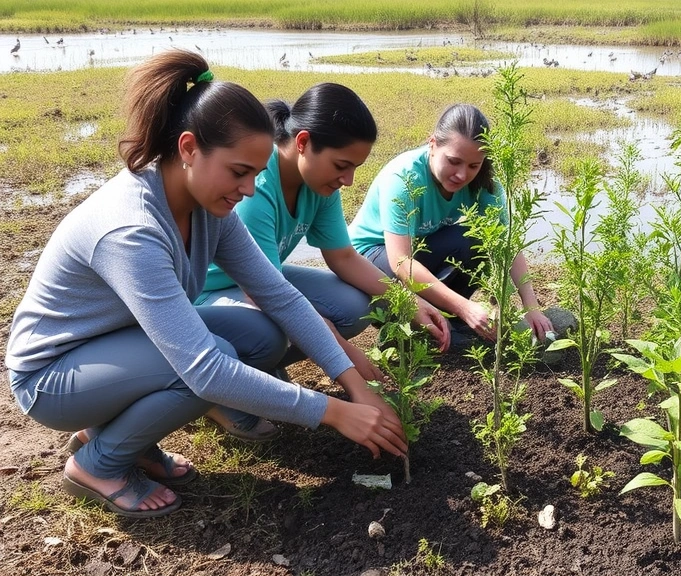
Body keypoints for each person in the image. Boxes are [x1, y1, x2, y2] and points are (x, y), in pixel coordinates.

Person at [4, 50, 406, 519]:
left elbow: (280, 296)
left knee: (262, 335)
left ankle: (119, 437)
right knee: (214, 363)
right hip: (52, 377)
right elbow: (206, 371)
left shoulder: (209, 208)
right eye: (239, 172)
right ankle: (98, 464)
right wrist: (334, 412)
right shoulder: (132, 229)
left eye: (256, 174)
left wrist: (353, 383)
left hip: (117, 346)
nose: (250, 190)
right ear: (189, 148)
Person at [196, 82, 449, 438]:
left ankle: (261, 371)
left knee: (353, 305)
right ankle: (222, 395)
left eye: (354, 168)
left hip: (267, 281)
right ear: (302, 143)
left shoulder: (319, 183)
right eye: (341, 165)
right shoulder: (256, 187)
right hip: (213, 293)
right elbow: (266, 295)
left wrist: (405, 299)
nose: (348, 180)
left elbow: (344, 257)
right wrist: (346, 359)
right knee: (268, 332)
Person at [348, 104, 554, 344]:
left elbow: (506, 245)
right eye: (454, 161)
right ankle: (405, 324)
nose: (461, 175)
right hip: (370, 259)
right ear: (433, 144)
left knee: (481, 237)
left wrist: (531, 305)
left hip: (418, 253)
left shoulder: (486, 185)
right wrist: (464, 307)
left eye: (473, 166)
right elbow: (401, 262)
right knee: (406, 278)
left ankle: (446, 321)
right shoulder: (404, 178)